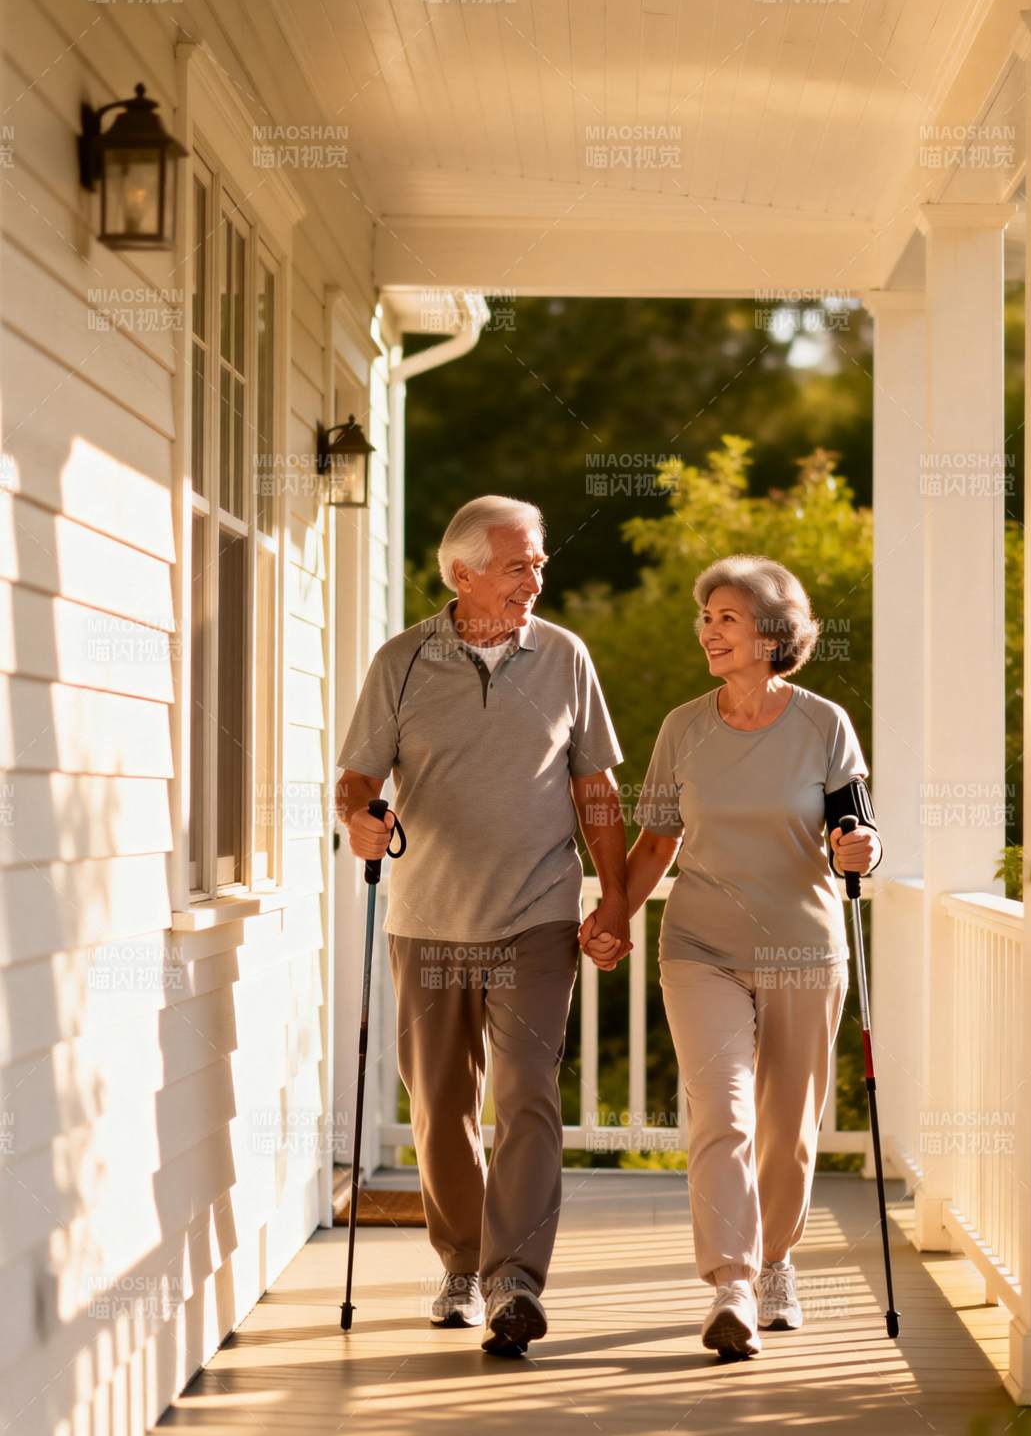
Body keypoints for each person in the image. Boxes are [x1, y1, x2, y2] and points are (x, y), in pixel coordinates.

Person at [336, 495, 630, 1357]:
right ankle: (462, 1265)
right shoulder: (401, 662)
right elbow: (358, 780)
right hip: (427, 918)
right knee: (439, 1106)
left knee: (527, 1093)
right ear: (462, 574)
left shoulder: (565, 657)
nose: (535, 579)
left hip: (536, 914)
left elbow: (596, 790)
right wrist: (358, 820)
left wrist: (614, 899)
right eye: (517, 566)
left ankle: (515, 1283)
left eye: (539, 563)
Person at [582, 554, 882, 1360]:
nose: (707, 632)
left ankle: (776, 1260)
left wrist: (860, 848)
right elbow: (656, 843)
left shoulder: (823, 724)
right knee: (722, 1112)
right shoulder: (683, 728)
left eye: (725, 619)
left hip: (803, 949)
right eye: (705, 618)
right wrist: (611, 917)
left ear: (773, 635)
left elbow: (855, 825)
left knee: (787, 1128)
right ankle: (733, 1284)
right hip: (700, 947)